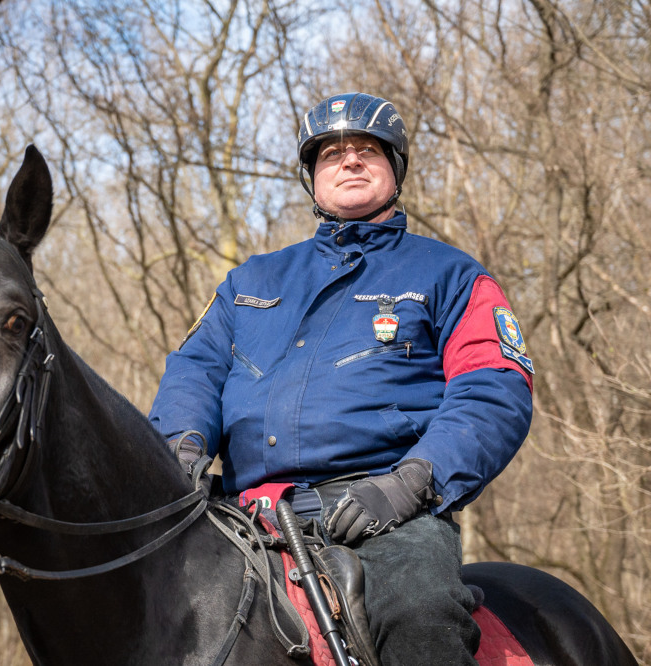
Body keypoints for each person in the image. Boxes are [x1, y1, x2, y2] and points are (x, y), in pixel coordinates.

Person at [149, 92, 534, 665]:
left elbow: (493, 389)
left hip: (387, 516)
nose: (349, 160)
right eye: (332, 153)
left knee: (418, 610)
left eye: (367, 150)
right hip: (245, 514)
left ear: (395, 169)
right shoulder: (249, 281)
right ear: (313, 178)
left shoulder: (451, 276)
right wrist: (179, 450)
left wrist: (410, 484)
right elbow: (194, 370)